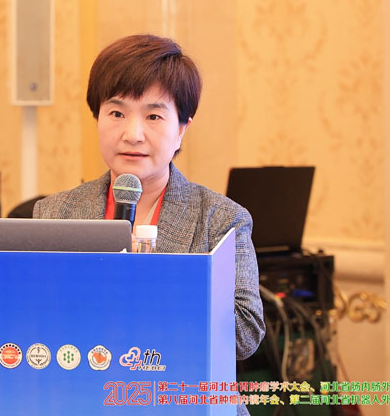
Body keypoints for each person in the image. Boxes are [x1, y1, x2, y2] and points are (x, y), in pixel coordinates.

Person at [33, 34, 265, 415]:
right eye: (117, 113)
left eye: (154, 116)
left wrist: (155, 290)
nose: (133, 134)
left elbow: (245, 333)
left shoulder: (221, 219)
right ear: (97, 117)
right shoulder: (55, 213)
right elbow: (34, 319)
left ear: (182, 128)